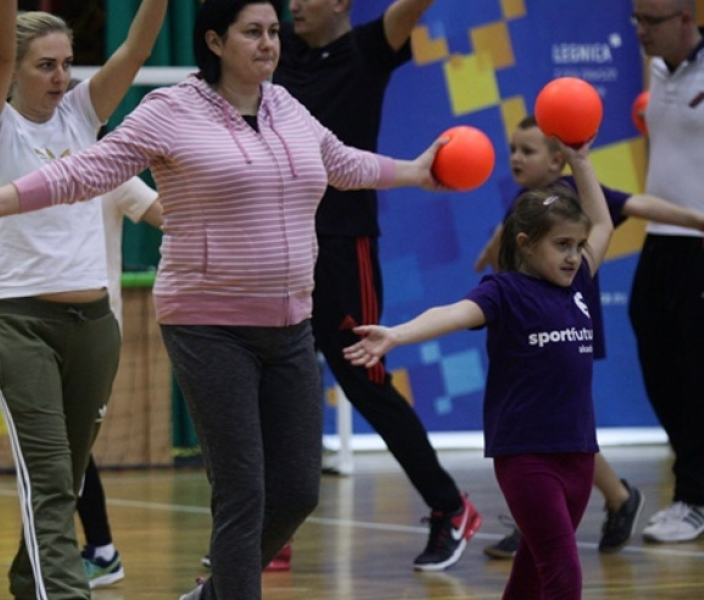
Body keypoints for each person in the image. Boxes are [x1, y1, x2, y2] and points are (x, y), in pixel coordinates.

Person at [0, 2, 446, 597]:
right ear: (215, 40)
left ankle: (198, 589)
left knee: (296, 491)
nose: (270, 43)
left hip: (255, 321)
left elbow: (337, 162)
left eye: (274, 32)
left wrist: (415, 172)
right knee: (212, 488)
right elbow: (72, 174)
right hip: (165, 321)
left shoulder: (282, 105)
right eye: (254, 32)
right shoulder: (151, 113)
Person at [0, 1, 167, 598]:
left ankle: (30, 580)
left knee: (68, 478)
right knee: (50, 480)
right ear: (16, 70)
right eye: (46, 65)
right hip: (22, 322)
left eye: (67, 64)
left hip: (95, 327)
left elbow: (135, 52)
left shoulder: (82, 118)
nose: (62, 77)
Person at [344, 139, 610, 600]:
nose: (573, 256)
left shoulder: (579, 282)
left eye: (578, 246)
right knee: (564, 575)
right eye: (562, 245)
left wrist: (581, 161)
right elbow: (449, 313)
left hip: (580, 455)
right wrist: (396, 334)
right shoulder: (503, 293)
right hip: (527, 459)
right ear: (525, 245)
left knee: (530, 574)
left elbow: (603, 221)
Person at [272, 0, 483, 571]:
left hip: (345, 247)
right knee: (276, 379)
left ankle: (450, 506)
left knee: (364, 380)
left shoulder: (368, 48)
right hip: (280, 240)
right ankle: (272, 529)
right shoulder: (278, 47)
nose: (293, 6)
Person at [0, 176, 162, 591]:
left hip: (96, 333)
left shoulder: (113, 174)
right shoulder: (21, 170)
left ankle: (73, 558)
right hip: (30, 323)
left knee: (69, 455)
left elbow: (166, 216)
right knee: (53, 456)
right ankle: (83, 556)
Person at [474, 115, 704, 557]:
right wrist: (492, 247)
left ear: (559, 159)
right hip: (526, 330)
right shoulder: (528, 202)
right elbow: (514, 234)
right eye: (513, 149)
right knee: (552, 423)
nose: (516, 158)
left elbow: (638, 205)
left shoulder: (573, 196)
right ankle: (592, 503)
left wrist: (697, 219)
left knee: (554, 425)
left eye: (528, 150)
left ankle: (572, 508)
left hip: (561, 326)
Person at [628, 0, 704, 544]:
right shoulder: (656, 68)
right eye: (636, 21)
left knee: (696, 377)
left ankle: (693, 499)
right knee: (660, 370)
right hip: (660, 242)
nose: (640, 32)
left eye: (650, 22)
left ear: (686, 18)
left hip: (700, 245)